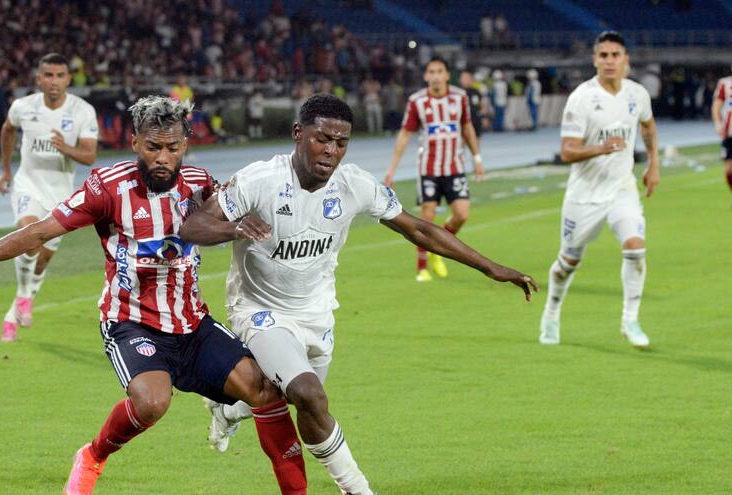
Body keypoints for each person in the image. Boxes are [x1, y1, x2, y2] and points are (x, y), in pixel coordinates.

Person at [0, 95, 307, 495]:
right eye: (153, 147)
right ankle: (92, 456)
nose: (163, 157)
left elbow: (239, 218)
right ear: (135, 142)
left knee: (265, 391)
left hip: (192, 322)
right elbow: (38, 232)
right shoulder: (107, 187)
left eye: (172, 148)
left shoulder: (200, 183)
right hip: (131, 321)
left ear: (185, 145)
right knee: (152, 402)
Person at [179, 93, 538, 495]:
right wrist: (234, 228)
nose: (331, 151)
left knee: (299, 402)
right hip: (260, 311)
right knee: (309, 395)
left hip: (317, 313)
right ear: (299, 134)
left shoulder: (355, 185)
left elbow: (418, 228)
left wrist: (491, 268)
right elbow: (193, 228)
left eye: (341, 142)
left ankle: (227, 410)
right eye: (322, 139)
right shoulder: (259, 181)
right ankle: (357, 488)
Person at [539, 31, 660, 348]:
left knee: (635, 249)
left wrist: (653, 165)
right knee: (568, 263)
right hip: (585, 194)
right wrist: (601, 149)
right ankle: (551, 313)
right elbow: (567, 151)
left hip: (622, 189)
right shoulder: (581, 98)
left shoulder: (637, 94)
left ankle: (630, 320)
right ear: (595, 60)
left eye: (615, 55)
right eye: (603, 55)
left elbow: (648, 126)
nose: (609, 61)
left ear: (625, 60)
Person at [0, 53, 98, 342]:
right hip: (28, 185)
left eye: (60, 76)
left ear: (68, 79)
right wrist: (5, 168)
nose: (54, 82)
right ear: (39, 79)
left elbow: (90, 155)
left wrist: (66, 147)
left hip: (61, 197)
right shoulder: (23, 107)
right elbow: (7, 130)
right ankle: (24, 299)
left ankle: (19, 301)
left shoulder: (82, 111)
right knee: (28, 236)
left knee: (41, 260)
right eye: (48, 76)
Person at [383, 57, 486, 282]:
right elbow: (405, 135)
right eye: (432, 71)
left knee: (462, 214)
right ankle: (422, 267)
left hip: (455, 166)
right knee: (427, 217)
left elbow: (467, 127)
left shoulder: (460, 98)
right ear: (426, 76)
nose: (436, 75)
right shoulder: (417, 101)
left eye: (440, 71)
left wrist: (477, 158)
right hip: (428, 168)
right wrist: (392, 169)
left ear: (447, 75)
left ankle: (439, 248)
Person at [711, 67, 732, 192]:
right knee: (728, 171)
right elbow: (716, 106)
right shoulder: (725, 83)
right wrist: (718, 123)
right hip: (729, 134)